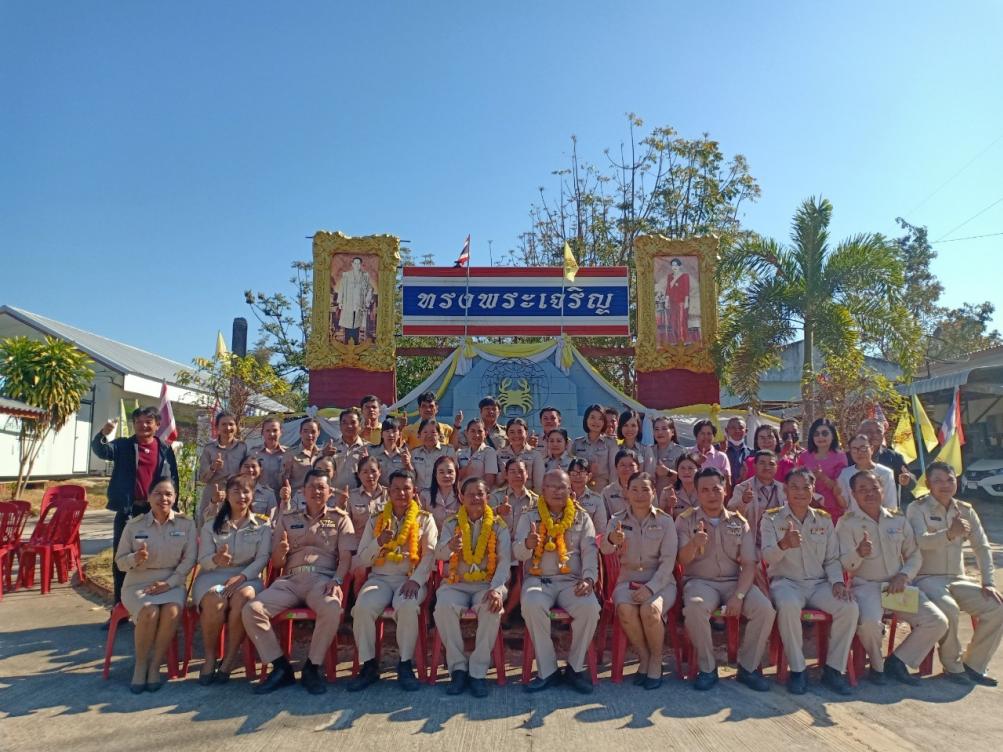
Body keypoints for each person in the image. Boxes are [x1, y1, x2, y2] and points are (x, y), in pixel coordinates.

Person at [242, 470, 354, 695]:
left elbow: (346, 558)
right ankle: (281, 667)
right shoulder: (287, 518)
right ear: (302, 491)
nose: (316, 491)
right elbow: (276, 562)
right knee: (252, 610)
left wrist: (337, 580)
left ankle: (312, 668)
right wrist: (281, 552)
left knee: (332, 607)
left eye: (321, 487)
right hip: (290, 580)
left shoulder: (341, 518)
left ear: (330, 492)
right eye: (311, 487)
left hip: (322, 580)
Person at [836, 470, 948, 686]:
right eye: (862, 489)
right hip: (866, 587)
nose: (869, 493)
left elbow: (914, 554)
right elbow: (843, 563)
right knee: (869, 624)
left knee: (936, 621)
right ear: (853, 494)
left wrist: (904, 576)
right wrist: (858, 553)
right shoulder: (846, 523)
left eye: (874, 488)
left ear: (882, 490)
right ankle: (876, 666)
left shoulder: (897, 519)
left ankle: (897, 661)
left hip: (896, 586)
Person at [677, 467, 776, 691]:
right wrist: (694, 544)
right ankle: (707, 668)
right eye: (704, 490)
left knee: (765, 609)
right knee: (694, 608)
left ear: (725, 490)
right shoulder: (686, 520)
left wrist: (739, 596)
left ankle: (748, 667)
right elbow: (681, 560)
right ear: (697, 493)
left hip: (734, 582)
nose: (711, 494)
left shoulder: (739, 522)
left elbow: (749, 564)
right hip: (700, 582)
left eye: (716, 489)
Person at [760, 468, 856, 695]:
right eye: (794, 487)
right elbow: (766, 557)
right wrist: (784, 544)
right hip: (786, 582)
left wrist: (837, 582)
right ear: (785, 490)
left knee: (849, 607)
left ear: (813, 490)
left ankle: (834, 670)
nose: (800, 492)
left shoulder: (823, 519)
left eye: (806, 487)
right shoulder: (771, 518)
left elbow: (832, 559)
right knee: (788, 606)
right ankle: (798, 670)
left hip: (819, 584)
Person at [905, 462, 1003, 686]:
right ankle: (953, 666)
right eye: (938, 481)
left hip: (958, 579)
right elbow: (919, 542)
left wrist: (989, 582)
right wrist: (949, 534)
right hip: (927, 578)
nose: (945, 485)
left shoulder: (965, 510)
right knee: (948, 608)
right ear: (928, 483)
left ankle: (975, 665)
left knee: (997, 607)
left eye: (950, 480)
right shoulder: (917, 508)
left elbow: (982, 547)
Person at [349, 469, 438, 692]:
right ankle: (369, 665)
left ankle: (405, 664)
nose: (401, 493)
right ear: (389, 492)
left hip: (410, 579)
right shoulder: (377, 519)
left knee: (407, 605)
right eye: (396, 489)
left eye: (406, 488)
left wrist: (416, 580)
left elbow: (430, 555)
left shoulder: (425, 519)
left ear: (414, 491)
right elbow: (363, 558)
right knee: (362, 607)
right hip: (380, 578)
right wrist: (378, 542)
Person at [514, 469, 600, 695]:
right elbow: (517, 553)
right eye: (551, 486)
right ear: (542, 490)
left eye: (562, 487)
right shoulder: (529, 516)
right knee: (531, 604)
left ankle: (575, 668)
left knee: (590, 608)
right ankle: (548, 670)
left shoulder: (581, 517)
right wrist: (528, 544)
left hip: (572, 581)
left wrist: (589, 579)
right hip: (539, 580)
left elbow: (590, 551)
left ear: (570, 490)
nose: (557, 491)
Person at [91, 406, 179, 610]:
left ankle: (151, 605)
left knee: (155, 557)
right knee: (121, 560)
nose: (143, 425)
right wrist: (103, 434)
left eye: (148, 421)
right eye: (138, 421)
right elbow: (102, 450)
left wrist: (173, 507)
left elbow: (173, 479)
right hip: (129, 511)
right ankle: (119, 608)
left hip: (155, 513)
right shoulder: (123, 445)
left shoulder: (165, 449)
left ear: (157, 425)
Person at [114, 478, 196, 692]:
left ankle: (155, 665)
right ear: (149, 497)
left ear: (175, 497)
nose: (163, 498)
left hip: (172, 581)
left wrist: (170, 583)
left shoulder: (186, 524)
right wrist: (135, 558)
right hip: (138, 582)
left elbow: (190, 559)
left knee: (172, 611)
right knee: (149, 612)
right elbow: (120, 562)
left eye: (168, 494)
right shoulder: (134, 525)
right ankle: (140, 665)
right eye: (158, 494)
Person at [433, 477, 512, 697]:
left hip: (487, 584)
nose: (476, 498)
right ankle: (458, 669)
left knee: (491, 608)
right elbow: (438, 554)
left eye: (480, 494)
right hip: (456, 583)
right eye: (470, 494)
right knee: (443, 606)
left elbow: (504, 561)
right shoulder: (451, 523)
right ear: (461, 497)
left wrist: (497, 589)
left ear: (488, 497)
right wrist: (449, 547)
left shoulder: (498, 525)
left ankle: (478, 672)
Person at [600, 472, 678, 689]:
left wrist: (651, 588)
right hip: (627, 580)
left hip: (661, 582)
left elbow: (668, 562)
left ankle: (656, 659)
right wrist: (611, 539)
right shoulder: (617, 520)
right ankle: (644, 656)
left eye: (645, 489)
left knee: (650, 609)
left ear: (653, 493)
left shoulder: (665, 521)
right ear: (626, 492)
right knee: (625, 609)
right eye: (634, 489)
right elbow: (604, 549)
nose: (639, 494)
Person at [194, 474, 271, 684]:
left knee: (243, 597)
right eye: (236, 491)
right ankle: (210, 657)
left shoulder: (262, 526)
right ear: (227, 495)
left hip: (247, 577)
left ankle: (229, 659)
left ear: (252, 495)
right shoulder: (212, 525)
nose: (241, 496)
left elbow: (263, 558)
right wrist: (216, 559)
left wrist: (242, 576)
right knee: (215, 599)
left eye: (246, 491)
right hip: (213, 576)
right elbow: (203, 559)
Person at [344, 455, 388, 596]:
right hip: (358, 550)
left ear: (380, 472)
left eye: (373, 471)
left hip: (384, 548)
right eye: (365, 472)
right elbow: (345, 528)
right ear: (358, 474)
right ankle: (358, 604)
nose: (370, 476)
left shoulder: (389, 495)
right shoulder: (351, 497)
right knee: (361, 569)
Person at [728, 449, 787, 550]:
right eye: (762, 463)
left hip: (777, 546)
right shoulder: (742, 488)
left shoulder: (784, 489)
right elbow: (731, 513)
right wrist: (743, 501)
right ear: (754, 466)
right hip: (751, 545)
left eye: (771, 464)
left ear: (776, 467)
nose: (767, 467)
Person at [796, 418, 848, 521]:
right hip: (808, 507)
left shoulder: (840, 457)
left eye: (824, 433)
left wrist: (822, 477)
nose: (820, 437)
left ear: (833, 435)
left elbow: (840, 487)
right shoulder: (804, 456)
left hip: (832, 510)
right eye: (816, 434)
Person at [198, 412, 248, 516]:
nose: (228, 428)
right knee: (208, 522)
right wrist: (212, 468)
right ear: (217, 427)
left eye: (231, 424)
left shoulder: (243, 447)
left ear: (236, 426)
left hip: (235, 494)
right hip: (213, 493)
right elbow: (202, 478)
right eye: (224, 424)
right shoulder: (209, 449)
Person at [837, 434, 897, 512]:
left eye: (863, 448)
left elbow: (890, 504)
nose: (859, 452)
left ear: (871, 449)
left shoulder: (886, 473)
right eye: (854, 449)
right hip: (855, 518)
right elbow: (845, 504)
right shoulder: (845, 474)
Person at [859, 418, 915, 491]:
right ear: (859, 434)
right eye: (869, 431)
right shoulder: (850, 457)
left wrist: (908, 480)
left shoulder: (894, 457)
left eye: (879, 431)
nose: (875, 435)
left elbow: (912, 483)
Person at [572, 404, 617, 490]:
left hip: (602, 491)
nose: (596, 422)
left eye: (600, 419)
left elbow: (613, 472)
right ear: (586, 419)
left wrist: (611, 492)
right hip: (581, 491)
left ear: (604, 422)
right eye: (592, 417)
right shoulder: (577, 443)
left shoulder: (611, 443)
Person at [281, 418, 332, 493]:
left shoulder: (323, 454)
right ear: (300, 432)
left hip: (318, 495)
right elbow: (282, 480)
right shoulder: (291, 454)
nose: (309, 435)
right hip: (298, 496)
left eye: (313, 432)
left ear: (318, 433)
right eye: (305, 431)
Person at [489, 458, 538, 535]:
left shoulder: (535, 500)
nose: (517, 475)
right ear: (506, 475)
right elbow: (485, 518)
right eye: (513, 472)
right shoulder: (495, 497)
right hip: (498, 541)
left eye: (521, 471)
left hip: (524, 541)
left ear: (527, 474)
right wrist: (498, 510)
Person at [495, 417, 545, 492]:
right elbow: (495, 483)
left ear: (526, 433)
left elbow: (538, 485)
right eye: (512, 432)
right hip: (504, 496)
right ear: (507, 434)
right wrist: (504, 474)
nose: (516, 435)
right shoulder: (499, 454)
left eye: (520, 431)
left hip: (527, 496)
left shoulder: (535, 454)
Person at [335, 255, 373, 344]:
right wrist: (340, 301)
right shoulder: (346, 275)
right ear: (352, 264)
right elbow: (341, 288)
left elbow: (370, 289)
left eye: (358, 263)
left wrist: (367, 301)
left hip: (359, 303)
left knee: (357, 323)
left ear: (360, 265)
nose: (356, 265)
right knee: (348, 323)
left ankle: (356, 343)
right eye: (355, 263)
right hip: (348, 303)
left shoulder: (364, 276)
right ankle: (347, 343)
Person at [410, 418, 454, 492]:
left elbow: (453, 475)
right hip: (420, 495)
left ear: (439, 435)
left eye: (433, 432)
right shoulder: (414, 453)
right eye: (425, 432)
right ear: (419, 435)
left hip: (440, 494)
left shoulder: (448, 451)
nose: (429, 435)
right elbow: (411, 475)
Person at [330, 407, 369, 490]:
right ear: (340, 426)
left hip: (359, 495)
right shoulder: (330, 447)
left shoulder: (368, 448)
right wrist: (325, 455)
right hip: (335, 495)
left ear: (360, 426)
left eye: (353, 422)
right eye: (344, 423)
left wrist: (367, 462)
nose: (349, 426)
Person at [567, 458, 608, 535]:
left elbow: (601, 530)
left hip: (589, 539)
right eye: (574, 473)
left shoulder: (596, 500)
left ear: (589, 476)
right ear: (568, 475)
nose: (577, 477)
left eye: (582, 473)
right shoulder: (562, 497)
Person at [455, 418, 500, 487]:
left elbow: (489, 481)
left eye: (480, 431)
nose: (476, 435)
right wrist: (466, 469)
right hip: (462, 492)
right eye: (472, 431)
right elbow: (454, 478)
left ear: (485, 434)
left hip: (480, 492)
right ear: (467, 433)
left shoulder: (489, 452)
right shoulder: (460, 453)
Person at [421, 454, 461, 531]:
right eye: (441, 472)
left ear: (456, 474)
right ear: (435, 474)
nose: (446, 475)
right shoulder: (425, 495)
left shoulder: (462, 496)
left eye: (450, 472)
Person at [651, 416, 685, 498]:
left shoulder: (681, 452)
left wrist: (668, 472)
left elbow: (688, 477)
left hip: (673, 499)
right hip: (652, 500)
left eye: (664, 429)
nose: (660, 432)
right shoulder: (648, 451)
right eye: (656, 429)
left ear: (672, 432)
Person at [238, 455, 278, 524]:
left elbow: (273, 520)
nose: (250, 470)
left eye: (254, 466)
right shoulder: (231, 491)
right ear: (240, 469)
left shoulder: (268, 494)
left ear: (260, 470)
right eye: (246, 466)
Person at [251, 416, 287, 494]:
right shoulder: (253, 452)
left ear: (281, 432)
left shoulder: (288, 454)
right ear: (262, 433)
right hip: (259, 496)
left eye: (275, 430)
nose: (271, 434)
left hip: (281, 497)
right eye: (267, 431)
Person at [602, 449, 641, 519]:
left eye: (631, 465)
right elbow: (604, 520)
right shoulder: (607, 492)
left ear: (638, 468)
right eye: (622, 465)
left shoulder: (646, 489)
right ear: (616, 468)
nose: (627, 469)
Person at [660, 452, 701, 518]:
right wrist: (669, 507)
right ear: (677, 470)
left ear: (698, 469)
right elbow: (663, 520)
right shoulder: (667, 492)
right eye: (682, 468)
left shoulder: (706, 490)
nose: (686, 472)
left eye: (690, 468)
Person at [369, 418, 408, 482]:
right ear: (381, 434)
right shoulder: (372, 452)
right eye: (387, 431)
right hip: (378, 488)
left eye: (394, 431)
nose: (391, 435)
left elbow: (411, 476)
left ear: (399, 435)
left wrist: (408, 464)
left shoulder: (404, 454)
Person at [618, 409, 654, 475]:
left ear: (639, 427)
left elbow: (649, 476)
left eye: (633, 425)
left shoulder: (646, 450)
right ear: (620, 427)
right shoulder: (616, 449)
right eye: (625, 425)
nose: (629, 429)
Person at [665, 257, 690, 344]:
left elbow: (686, 289)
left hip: (681, 302)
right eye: (673, 265)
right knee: (673, 321)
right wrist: (666, 301)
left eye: (676, 265)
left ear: (680, 266)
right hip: (672, 301)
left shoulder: (685, 276)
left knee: (681, 321)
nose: (674, 267)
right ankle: (675, 340)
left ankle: (683, 340)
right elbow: (668, 289)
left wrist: (686, 302)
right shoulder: (670, 276)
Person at [723, 417, 751, 486]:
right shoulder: (717, 450)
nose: (737, 430)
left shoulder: (753, 454)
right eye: (733, 428)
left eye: (741, 428)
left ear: (746, 431)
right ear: (726, 430)